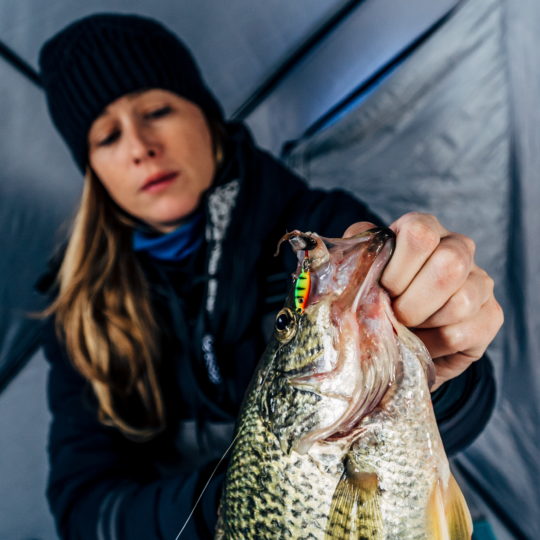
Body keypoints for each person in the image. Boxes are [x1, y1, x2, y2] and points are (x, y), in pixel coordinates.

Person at [36, 13, 503, 540]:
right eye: (106, 136)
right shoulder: (77, 312)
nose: (141, 145)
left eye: (157, 110)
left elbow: (466, 401)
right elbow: (84, 511)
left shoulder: (320, 233)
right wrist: (242, 501)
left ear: (207, 118)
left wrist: (436, 364)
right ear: (93, 170)